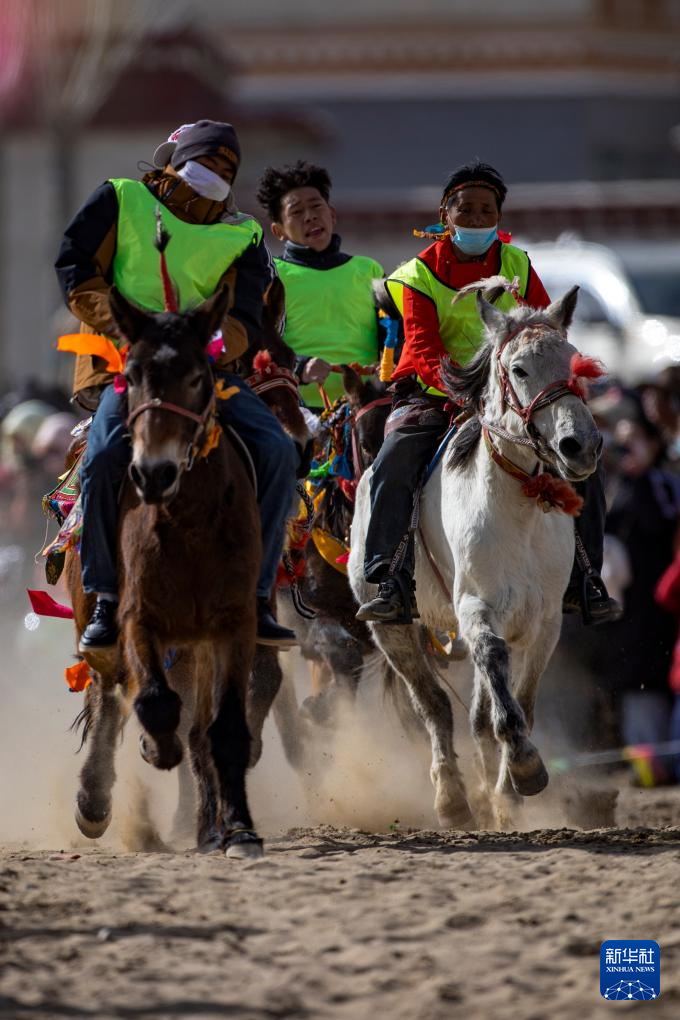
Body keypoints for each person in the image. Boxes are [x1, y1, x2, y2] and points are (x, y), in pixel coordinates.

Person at [55, 120, 298, 649]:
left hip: (202, 371)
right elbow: (76, 269)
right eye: (207, 160)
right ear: (176, 158)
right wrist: (130, 329)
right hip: (131, 366)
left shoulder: (244, 235)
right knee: (102, 458)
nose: (217, 171)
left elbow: (246, 315)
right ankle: (104, 596)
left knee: (278, 451)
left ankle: (258, 597)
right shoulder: (119, 198)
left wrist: (208, 346)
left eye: (227, 167)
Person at [356, 160, 619, 625]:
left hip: (515, 393)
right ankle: (390, 576)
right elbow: (423, 349)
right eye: (466, 209)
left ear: (499, 216)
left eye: (486, 210)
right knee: (395, 457)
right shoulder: (416, 275)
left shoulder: (517, 262)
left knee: (585, 456)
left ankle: (585, 578)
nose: (477, 219)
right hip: (434, 395)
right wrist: (467, 395)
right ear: (445, 214)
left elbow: (546, 329)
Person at [255, 160, 384, 410]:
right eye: (296, 212)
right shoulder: (271, 274)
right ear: (278, 230)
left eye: (316, 206)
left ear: (332, 214)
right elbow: (258, 341)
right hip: (298, 409)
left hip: (368, 408)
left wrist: (389, 362)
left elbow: (394, 334)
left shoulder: (369, 269)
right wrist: (300, 367)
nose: (310, 216)